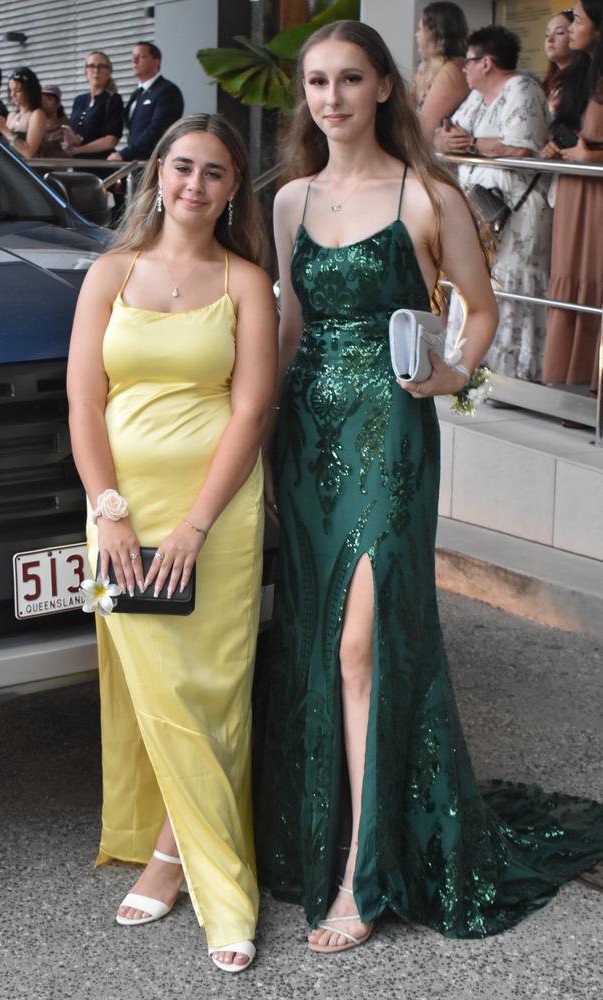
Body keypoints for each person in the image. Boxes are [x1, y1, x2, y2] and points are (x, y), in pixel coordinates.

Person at [256, 18, 603, 956]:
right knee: (312, 641)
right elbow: (288, 328)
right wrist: (262, 449)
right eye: (317, 82)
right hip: (306, 439)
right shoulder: (288, 202)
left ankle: (363, 878)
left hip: (390, 438)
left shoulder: (427, 193)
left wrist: (453, 377)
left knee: (362, 644)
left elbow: (481, 314)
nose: (331, 98)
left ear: (383, 90)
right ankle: (319, 834)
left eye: (349, 80)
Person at [67, 113, 277, 973]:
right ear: (157, 174)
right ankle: (174, 853)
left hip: (216, 517)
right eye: (182, 167)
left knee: (212, 693)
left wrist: (196, 523)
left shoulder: (247, 281)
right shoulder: (110, 272)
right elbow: (84, 402)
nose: (195, 185)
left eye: (215, 173)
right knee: (153, 685)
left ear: (233, 190)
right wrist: (109, 508)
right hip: (121, 509)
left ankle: (196, 871)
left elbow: (252, 408)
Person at [435, 26, 551, 381]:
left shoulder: (522, 89)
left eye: (468, 62)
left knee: (510, 280)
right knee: (474, 278)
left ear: (486, 63)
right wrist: (448, 139)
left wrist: (470, 144)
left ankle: (511, 373)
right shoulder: (475, 96)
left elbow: (519, 147)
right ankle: (470, 364)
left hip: (515, 211)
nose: (463, 70)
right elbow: (451, 133)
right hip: (477, 212)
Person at [542, 0, 603, 393]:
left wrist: (591, 155)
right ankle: (567, 379)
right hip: (574, 187)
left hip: (595, 194)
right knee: (569, 274)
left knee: (592, 276)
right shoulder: (582, 72)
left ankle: (589, 383)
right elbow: (571, 128)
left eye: (578, 19)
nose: (571, 26)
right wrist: (558, 146)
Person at [108, 42, 184, 162]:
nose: (134, 61)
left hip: (153, 163)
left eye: (141, 57)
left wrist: (126, 153)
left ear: (156, 61)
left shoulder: (167, 90)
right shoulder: (137, 93)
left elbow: (158, 130)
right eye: (133, 57)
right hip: (135, 163)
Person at [413, 1, 470, 142]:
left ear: (434, 34)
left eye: (420, 29)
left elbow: (424, 130)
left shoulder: (451, 70)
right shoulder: (437, 68)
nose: (416, 35)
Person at [64, 51, 124, 159]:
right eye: (91, 66)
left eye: (102, 66)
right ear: (85, 71)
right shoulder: (79, 100)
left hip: (101, 163)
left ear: (109, 71)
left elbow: (111, 140)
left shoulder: (113, 99)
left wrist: (79, 150)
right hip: (77, 163)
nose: (96, 71)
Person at [0, 66, 46, 159]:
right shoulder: (12, 115)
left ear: (29, 91)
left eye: (18, 91)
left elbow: (29, 152)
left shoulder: (36, 114)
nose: (13, 95)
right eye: (11, 90)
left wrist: (4, 129)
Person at [541, 8, 576, 115]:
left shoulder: (584, 83)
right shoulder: (547, 84)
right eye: (547, 34)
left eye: (559, 33)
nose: (549, 39)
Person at [38, 83, 69, 158]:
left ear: (58, 104)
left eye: (49, 99)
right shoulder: (33, 125)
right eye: (40, 99)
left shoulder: (65, 127)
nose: (43, 103)